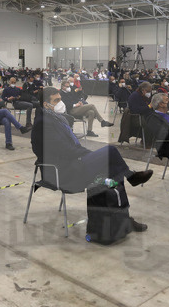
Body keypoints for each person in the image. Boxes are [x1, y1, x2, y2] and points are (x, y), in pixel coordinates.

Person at [32, 87, 152, 231]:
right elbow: (65, 150)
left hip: (73, 163)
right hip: (62, 171)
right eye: (56, 100)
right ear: (45, 104)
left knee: (113, 170)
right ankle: (131, 177)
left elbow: (69, 148)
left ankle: (123, 218)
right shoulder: (44, 123)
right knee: (111, 152)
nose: (60, 103)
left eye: (60, 99)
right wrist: (88, 154)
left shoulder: (56, 118)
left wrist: (87, 155)